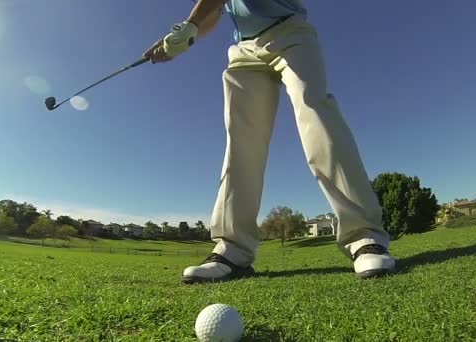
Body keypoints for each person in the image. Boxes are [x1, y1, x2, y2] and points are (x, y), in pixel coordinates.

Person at [143, 0, 396, 283]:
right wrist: (183, 38)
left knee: (314, 112)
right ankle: (233, 249)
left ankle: (364, 235)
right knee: (241, 140)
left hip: (289, 31)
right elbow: (213, 10)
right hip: (244, 49)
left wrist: (187, 27)